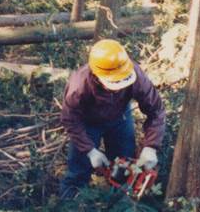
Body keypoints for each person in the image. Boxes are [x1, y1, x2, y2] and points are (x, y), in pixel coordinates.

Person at [60, 39, 166, 198]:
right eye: (116, 82)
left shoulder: (136, 76)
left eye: (123, 80)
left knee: (125, 168)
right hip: (87, 123)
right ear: (97, 75)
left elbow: (156, 110)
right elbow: (70, 119)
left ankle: (119, 205)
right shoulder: (79, 85)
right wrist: (89, 151)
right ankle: (69, 206)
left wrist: (151, 146)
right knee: (78, 171)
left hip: (120, 118)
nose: (121, 85)